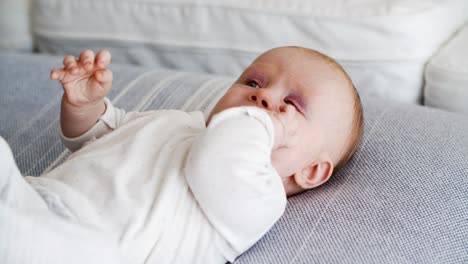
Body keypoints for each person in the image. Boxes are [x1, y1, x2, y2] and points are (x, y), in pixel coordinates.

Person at [0, 46, 363, 263]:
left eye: (292, 105)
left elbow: (219, 159)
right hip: (36, 198)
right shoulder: (178, 121)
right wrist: (86, 106)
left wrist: (265, 123)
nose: (264, 97)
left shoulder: (260, 196)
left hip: (90, 249)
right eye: (253, 83)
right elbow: (97, 138)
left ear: (311, 171)